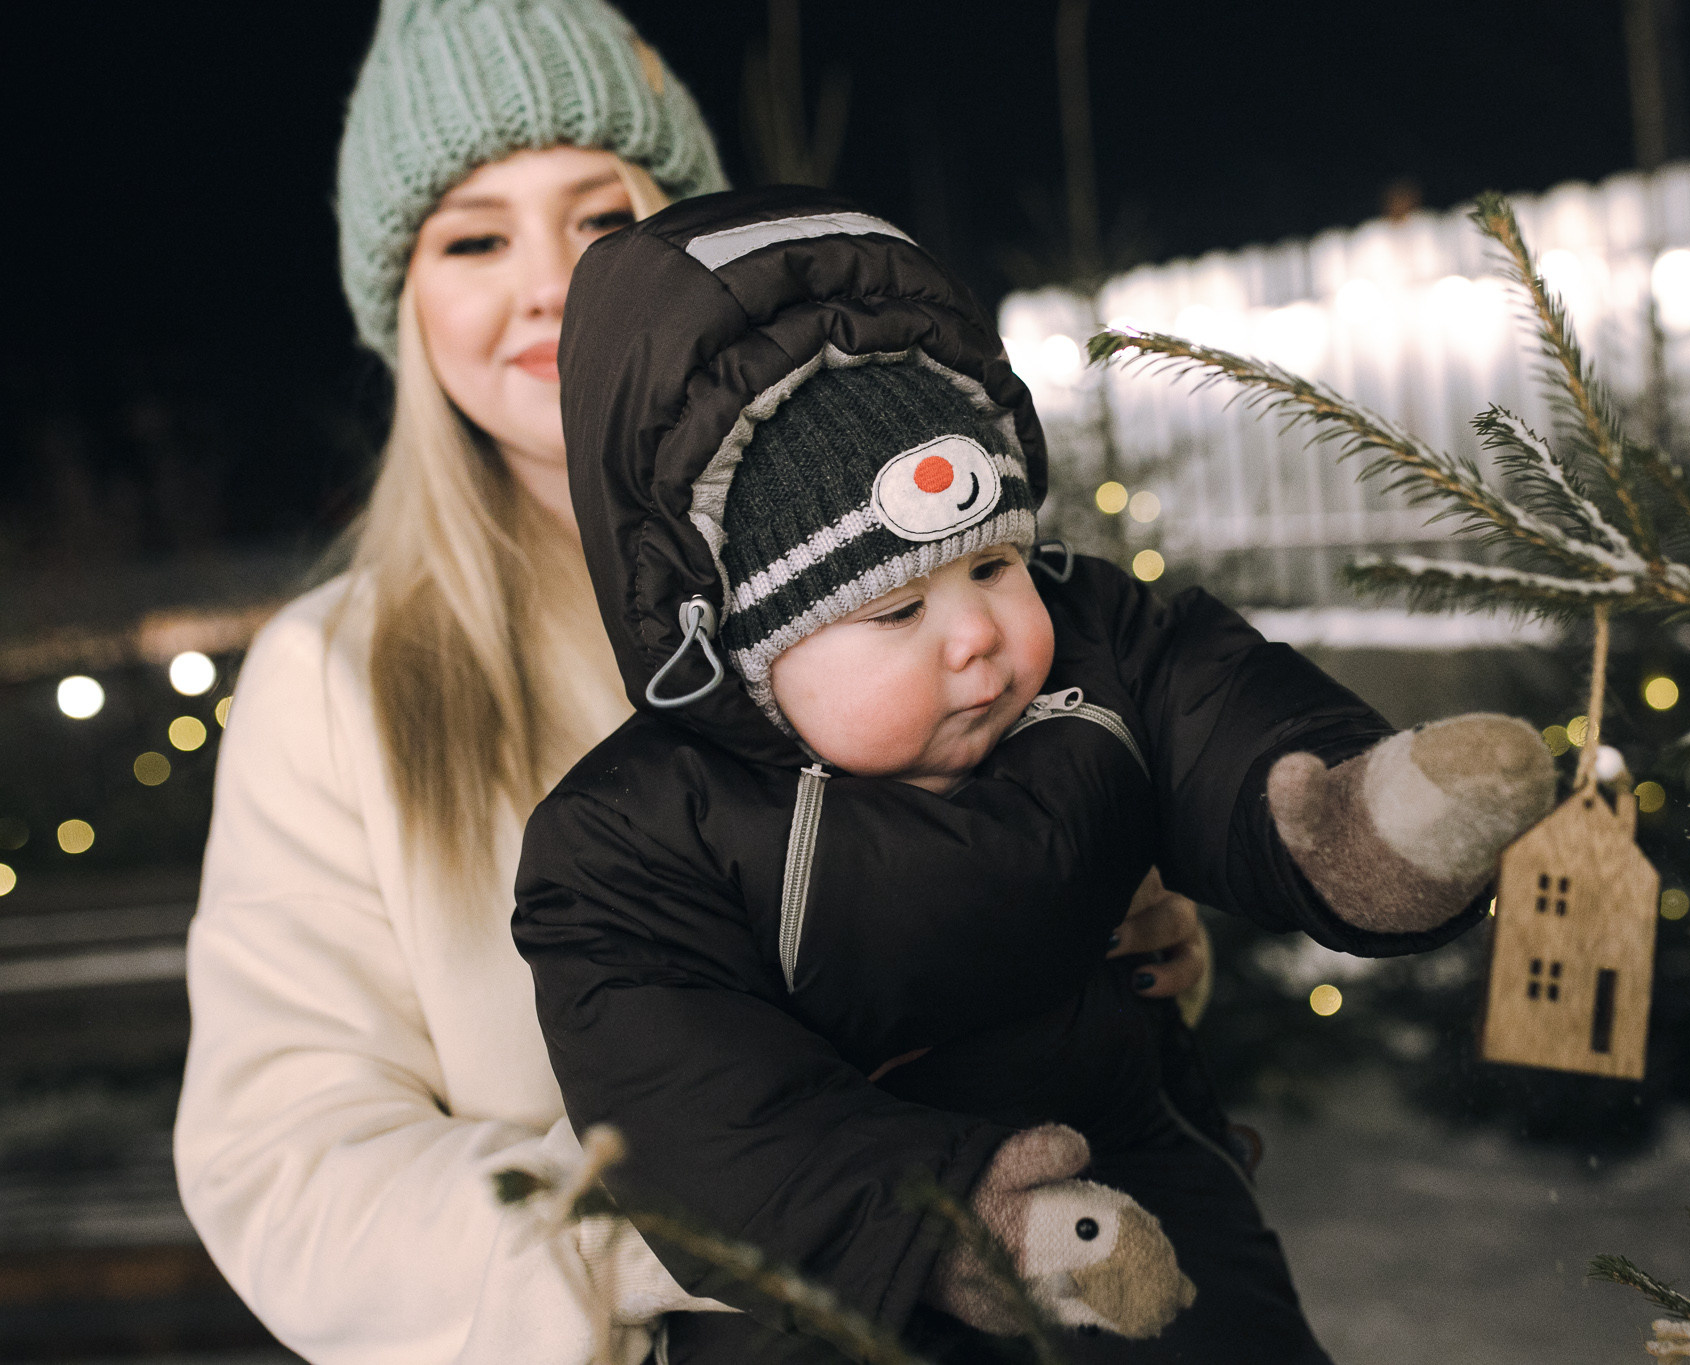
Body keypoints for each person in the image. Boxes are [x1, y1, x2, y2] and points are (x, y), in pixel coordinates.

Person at [170, 3, 1210, 1363]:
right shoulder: (339, 675)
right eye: (474, 237)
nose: (549, 284)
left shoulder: (924, 563)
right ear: (403, 300)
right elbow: (290, 1167)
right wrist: (684, 1231)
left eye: (602, 218)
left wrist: (1132, 948)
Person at [511, 189, 1559, 1363]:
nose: (977, 636)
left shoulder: (1090, 644)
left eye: (994, 566)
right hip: (881, 1279)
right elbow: (708, 1117)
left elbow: (1213, 712)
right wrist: (964, 1227)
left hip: (1143, 1173)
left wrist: (1346, 820)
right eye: (898, 608)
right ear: (745, 656)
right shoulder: (639, 839)